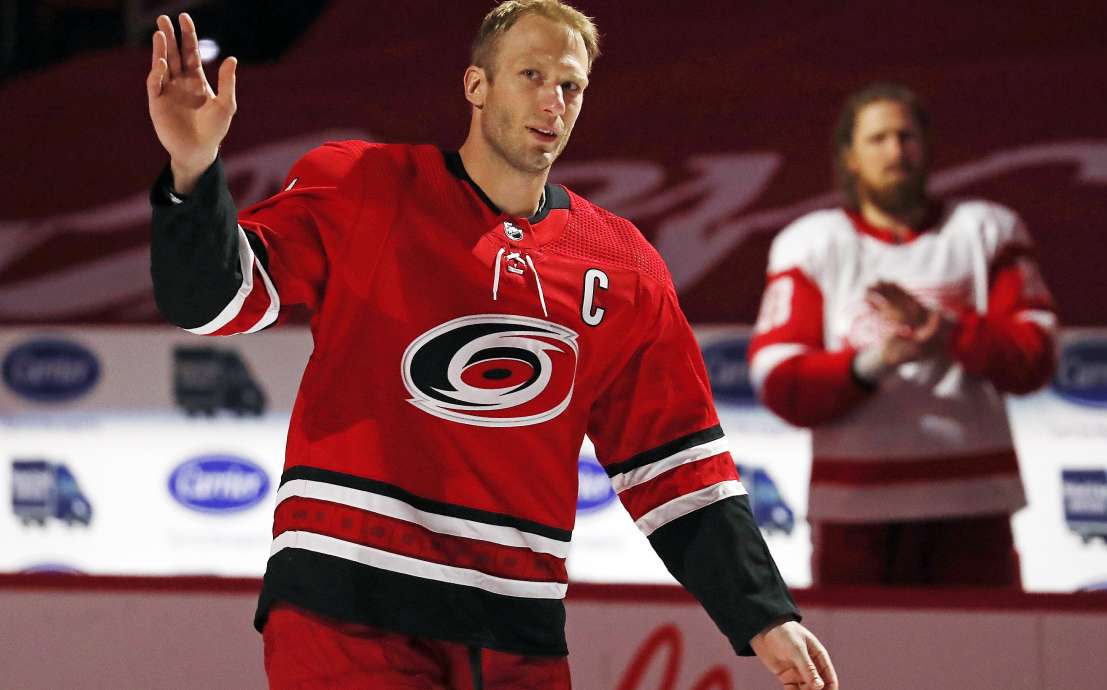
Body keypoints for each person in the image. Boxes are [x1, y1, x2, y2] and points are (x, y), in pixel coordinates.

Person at [145, 3, 837, 689]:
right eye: (531, 74)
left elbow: (678, 469)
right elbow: (215, 304)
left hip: (516, 631)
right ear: (476, 85)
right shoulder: (363, 188)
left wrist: (763, 615)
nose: (553, 101)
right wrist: (193, 169)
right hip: (348, 608)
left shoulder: (623, 267)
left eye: (571, 85)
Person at [748, 82, 1058, 589]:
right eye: (878, 139)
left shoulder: (989, 230)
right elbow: (780, 382)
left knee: (983, 663)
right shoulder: (810, 243)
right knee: (860, 668)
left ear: (928, 148)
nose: (895, 150)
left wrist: (950, 334)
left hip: (973, 505)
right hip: (855, 513)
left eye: (906, 136)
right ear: (849, 156)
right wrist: (876, 361)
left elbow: (1036, 357)